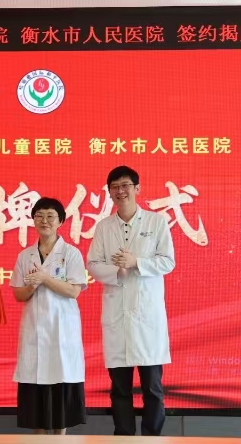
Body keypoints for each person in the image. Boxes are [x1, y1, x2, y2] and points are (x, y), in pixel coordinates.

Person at [87, 165, 175, 436]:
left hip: (148, 319)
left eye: (125, 185)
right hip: (117, 317)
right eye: (114, 187)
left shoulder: (156, 222)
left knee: (153, 389)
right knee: (120, 390)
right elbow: (93, 264)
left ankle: (152, 438)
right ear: (109, 192)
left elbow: (168, 262)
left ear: (137, 188)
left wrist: (136, 262)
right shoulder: (104, 227)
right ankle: (123, 438)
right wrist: (118, 270)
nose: (120, 191)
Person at [10, 197, 89, 435]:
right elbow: (18, 294)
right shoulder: (25, 256)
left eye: (50, 216)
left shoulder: (71, 253)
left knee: (60, 386)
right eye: (39, 216)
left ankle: (60, 439)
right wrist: (32, 286)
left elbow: (74, 291)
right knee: (35, 395)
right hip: (34, 330)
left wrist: (44, 279)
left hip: (61, 331)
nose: (44, 220)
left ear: (60, 221)